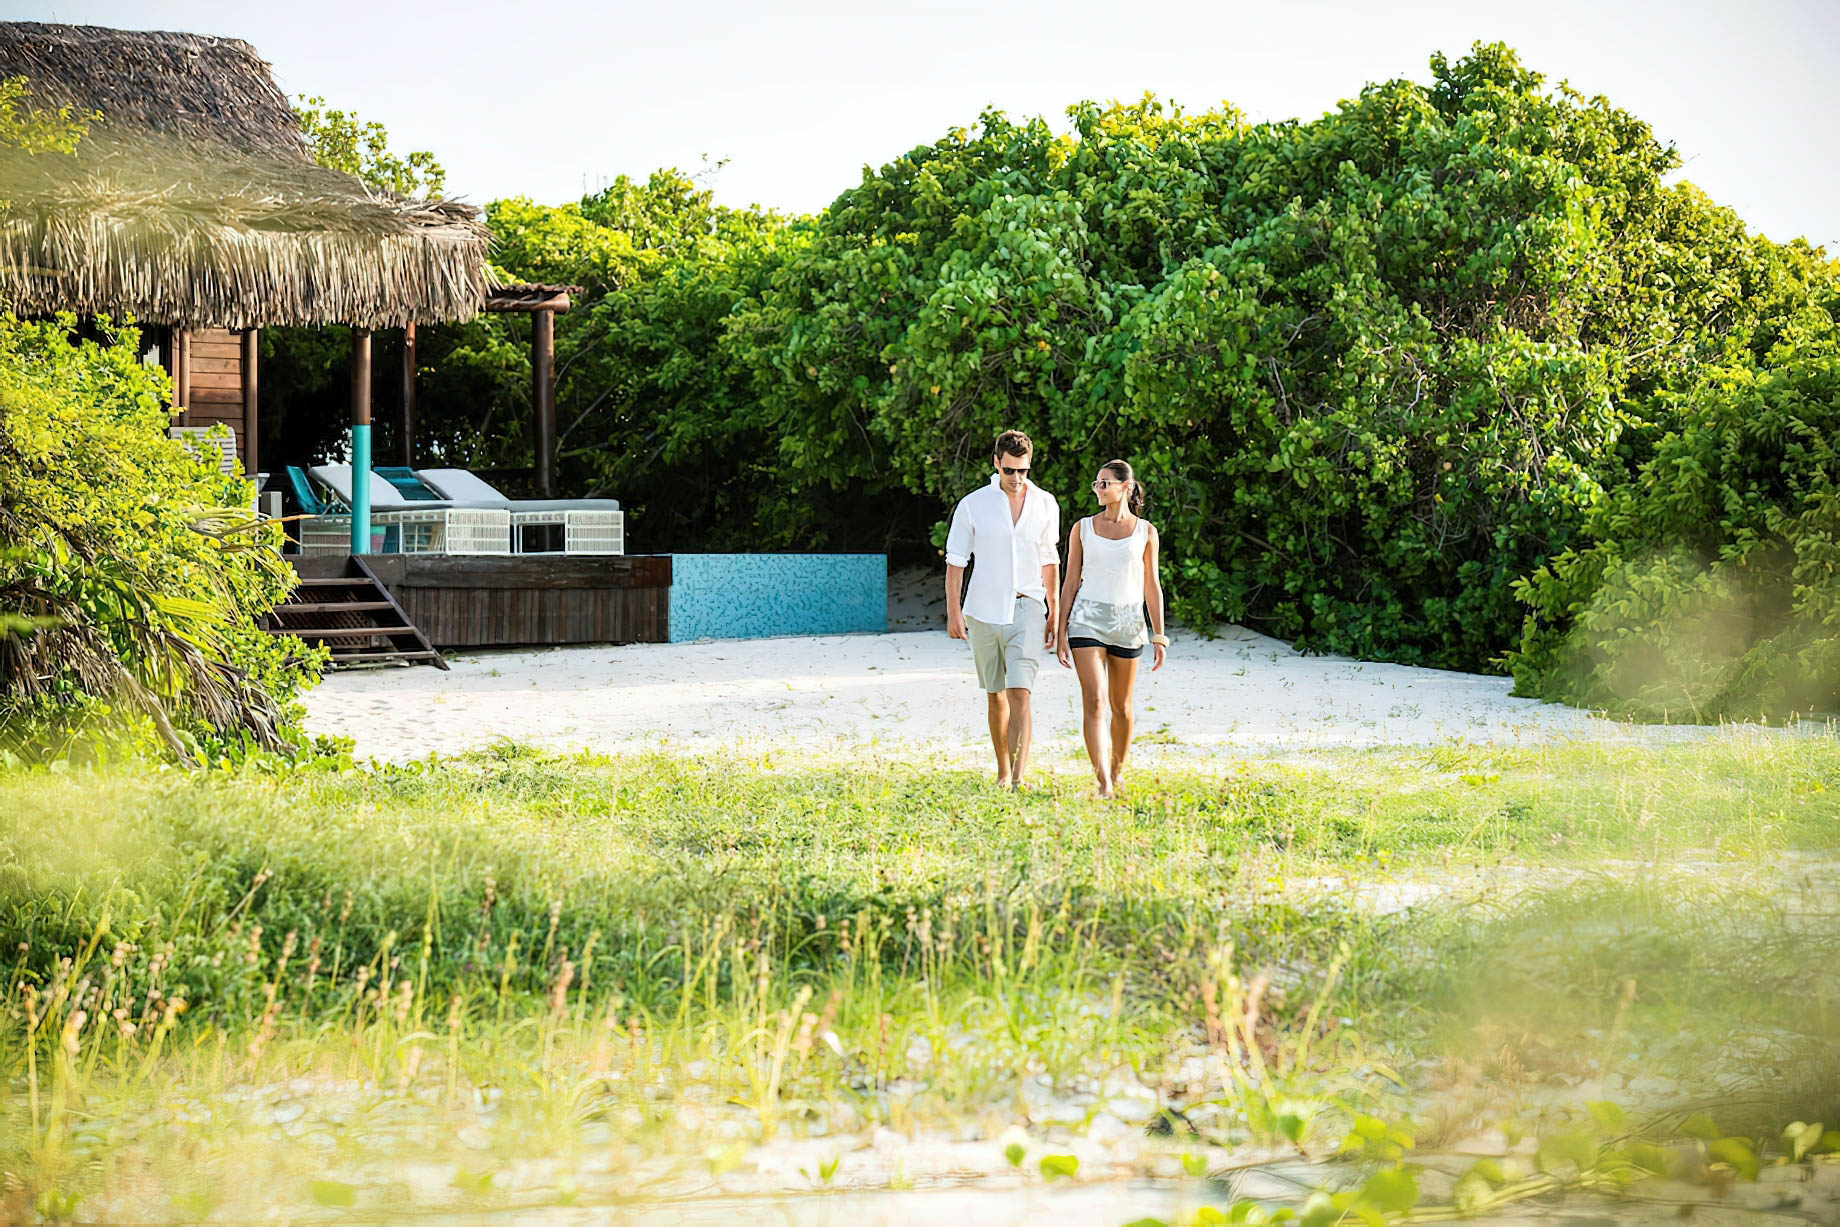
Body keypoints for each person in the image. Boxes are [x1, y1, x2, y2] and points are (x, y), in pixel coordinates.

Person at [944, 430, 1061, 790]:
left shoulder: (1045, 503)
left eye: (1023, 471)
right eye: (1009, 470)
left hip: (1028, 606)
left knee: (1020, 692)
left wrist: (1054, 609)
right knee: (995, 695)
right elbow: (956, 562)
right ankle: (1003, 771)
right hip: (983, 611)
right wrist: (954, 612)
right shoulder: (973, 505)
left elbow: (1049, 560)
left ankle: (1019, 778)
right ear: (996, 463)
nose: (1016, 478)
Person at [1055, 459, 1168, 798]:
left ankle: (1117, 772)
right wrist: (1060, 630)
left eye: (1105, 483)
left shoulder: (1146, 532)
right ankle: (1102, 781)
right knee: (1095, 701)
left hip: (1128, 623)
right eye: (1097, 483)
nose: (1099, 489)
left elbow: (1152, 586)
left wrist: (1159, 635)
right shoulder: (1082, 528)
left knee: (1122, 707)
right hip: (1086, 620)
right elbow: (1070, 581)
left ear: (1126, 487)